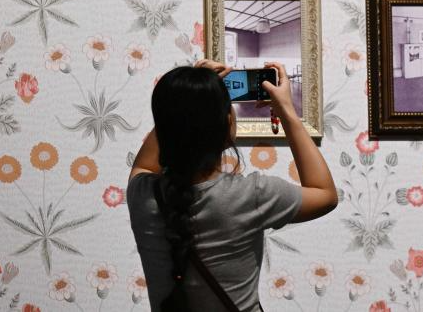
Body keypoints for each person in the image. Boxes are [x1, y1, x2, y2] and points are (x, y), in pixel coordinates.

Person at [127, 59, 337, 311]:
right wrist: (286, 110)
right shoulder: (252, 195)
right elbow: (325, 194)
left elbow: (145, 164)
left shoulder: (142, 194)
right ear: (228, 125)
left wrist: (186, 99)